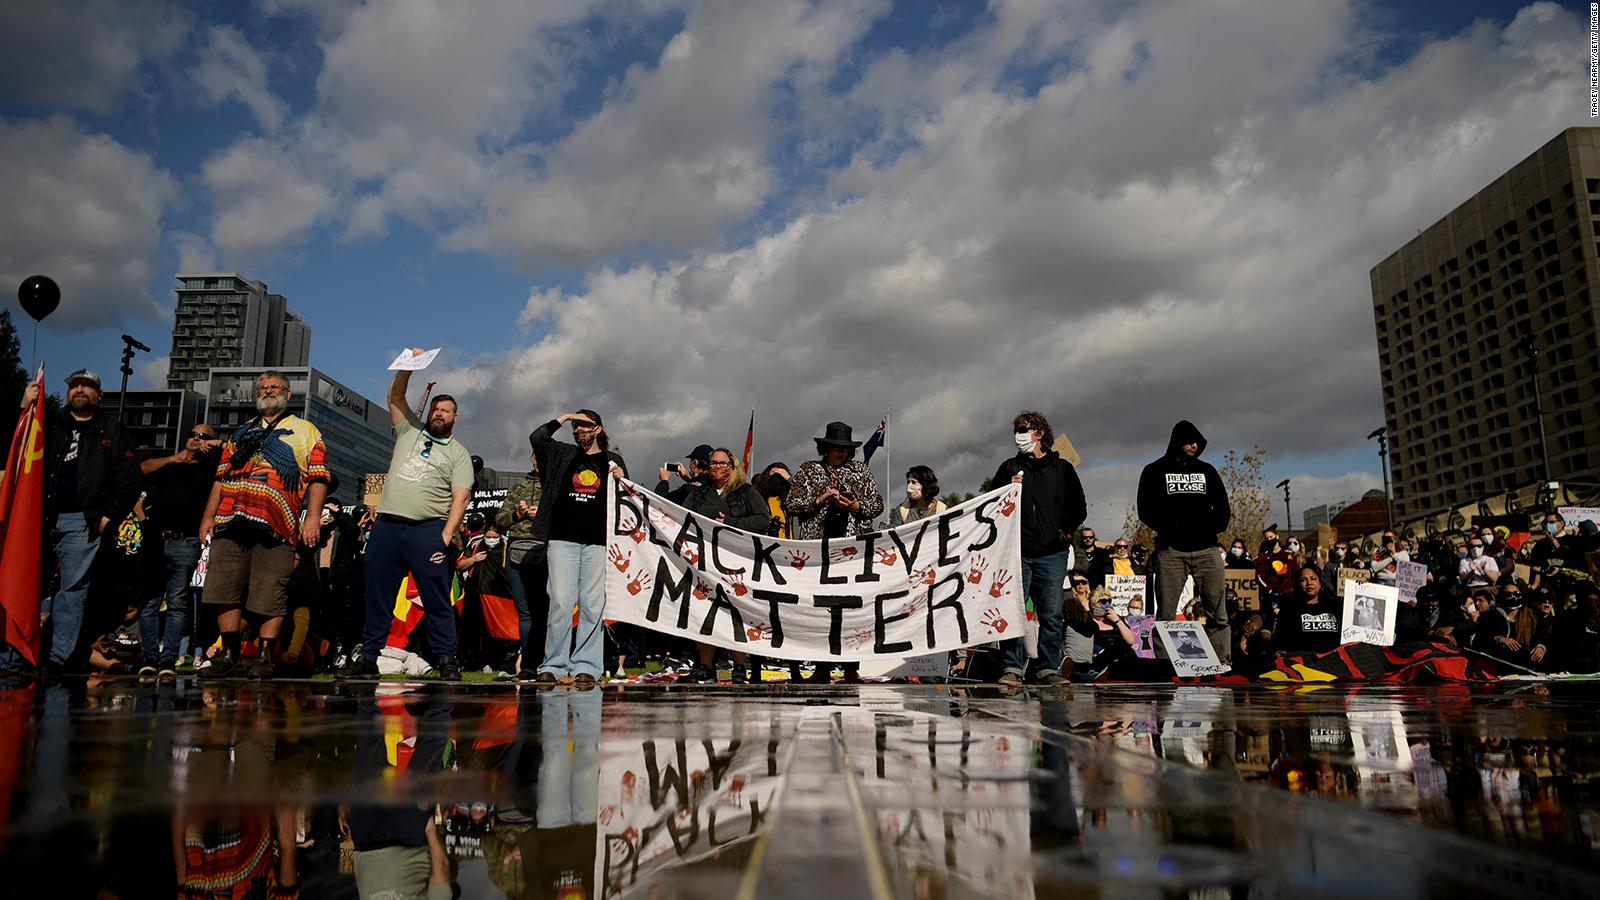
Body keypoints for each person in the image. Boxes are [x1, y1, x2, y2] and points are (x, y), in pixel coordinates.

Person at [342, 356, 474, 682]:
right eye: (435, 409)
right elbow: (395, 397)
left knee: (436, 599)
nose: (439, 413)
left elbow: (461, 496)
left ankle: (447, 660)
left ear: (455, 417)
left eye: (445, 410)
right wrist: (409, 367)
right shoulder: (408, 431)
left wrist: (446, 534)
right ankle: (369, 657)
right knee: (378, 595)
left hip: (427, 530)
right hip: (387, 526)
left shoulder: (458, 453)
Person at [1, 370, 139, 676]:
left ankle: (58, 659)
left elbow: (129, 478)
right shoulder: (49, 422)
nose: (79, 390)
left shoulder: (112, 429)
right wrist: (24, 407)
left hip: (83, 518)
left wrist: (108, 517)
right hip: (39, 516)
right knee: (24, 584)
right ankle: (13, 657)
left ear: (99, 395)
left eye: (87, 387)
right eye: (74, 385)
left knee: (71, 591)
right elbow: (19, 448)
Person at [198, 371, 329, 680]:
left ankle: (267, 654)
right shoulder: (240, 432)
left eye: (275, 387)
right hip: (230, 518)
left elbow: (319, 477)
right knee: (222, 587)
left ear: (288, 393)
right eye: (263, 388)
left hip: (277, 523)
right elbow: (220, 477)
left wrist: (312, 517)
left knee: (271, 588)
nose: (268, 392)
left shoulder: (306, 430)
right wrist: (208, 515)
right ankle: (228, 654)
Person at [520, 410, 627, 686]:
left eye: (585, 426)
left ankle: (588, 667)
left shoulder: (612, 460)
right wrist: (564, 417)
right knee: (559, 602)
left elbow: (626, 501)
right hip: (562, 538)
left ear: (599, 429)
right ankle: (554, 665)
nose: (579, 430)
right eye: (575, 426)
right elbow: (537, 438)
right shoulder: (562, 454)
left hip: (598, 542)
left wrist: (622, 480)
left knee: (593, 605)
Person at [987, 411, 1087, 686]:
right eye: (1016, 430)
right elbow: (991, 506)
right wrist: (1009, 490)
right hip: (1016, 553)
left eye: (1024, 429)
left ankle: (1048, 669)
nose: (1018, 435)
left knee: (1051, 614)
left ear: (1040, 433)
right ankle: (1011, 668)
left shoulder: (1063, 468)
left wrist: (1063, 533)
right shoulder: (1008, 468)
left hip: (1051, 554)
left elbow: (1079, 506)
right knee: (1012, 612)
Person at [784, 421, 885, 683]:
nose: (840, 453)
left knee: (853, 609)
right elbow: (791, 503)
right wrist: (819, 500)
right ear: (825, 448)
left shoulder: (860, 471)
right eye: (835, 448)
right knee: (819, 609)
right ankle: (821, 667)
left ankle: (851, 668)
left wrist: (855, 505)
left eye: (844, 449)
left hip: (853, 549)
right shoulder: (809, 470)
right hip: (818, 550)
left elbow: (876, 506)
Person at [1137, 420, 1230, 664]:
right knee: (1166, 613)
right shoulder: (1154, 470)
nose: (1194, 445)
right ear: (1177, 442)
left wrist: (1211, 528)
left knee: (1217, 612)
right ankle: (1165, 662)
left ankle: (1221, 661)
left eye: (1198, 442)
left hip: (1208, 549)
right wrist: (1171, 528)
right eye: (1189, 441)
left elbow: (1223, 507)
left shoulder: (1207, 471)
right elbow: (1145, 509)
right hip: (1171, 551)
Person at [136, 422, 221, 676]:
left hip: (186, 541)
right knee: (149, 602)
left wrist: (214, 447)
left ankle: (168, 658)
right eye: (193, 434)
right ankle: (149, 657)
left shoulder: (210, 470)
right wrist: (175, 458)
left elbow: (235, 450)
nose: (197, 438)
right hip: (155, 539)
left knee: (177, 602)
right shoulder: (168, 464)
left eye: (203, 436)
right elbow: (140, 470)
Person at [681, 448, 770, 683]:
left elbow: (763, 519)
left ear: (732, 466)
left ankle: (739, 665)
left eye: (722, 463)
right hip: (706, 562)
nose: (716, 467)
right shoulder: (699, 493)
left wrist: (730, 523)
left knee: (737, 613)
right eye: (712, 463)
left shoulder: (746, 491)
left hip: (737, 562)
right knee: (705, 611)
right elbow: (682, 516)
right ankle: (704, 666)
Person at [496, 450, 548, 678]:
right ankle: (528, 666)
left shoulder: (555, 485)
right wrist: (517, 515)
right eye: (536, 458)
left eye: (543, 458)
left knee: (542, 611)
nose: (538, 462)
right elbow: (499, 520)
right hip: (516, 551)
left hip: (544, 550)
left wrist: (542, 516)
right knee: (525, 613)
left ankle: (546, 663)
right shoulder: (517, 488)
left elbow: (566, 518)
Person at [1272, 565, 1341, 656]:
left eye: (1313, 579)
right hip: (1302, 665)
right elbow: (1279, 639)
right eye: (1303, 580)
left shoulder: (1334, 607)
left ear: (1320, 583)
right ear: (1297, 585)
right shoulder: (1289, 609)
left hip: (1333, 664)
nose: (1309, 583)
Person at [752, 462, 793, 538]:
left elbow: (806, 494)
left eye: (780, 475)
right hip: (767, 545)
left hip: (790, 547)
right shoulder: (759, 500)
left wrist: (790, 479)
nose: (776, 478)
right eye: (773, 474)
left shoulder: (792, 502)